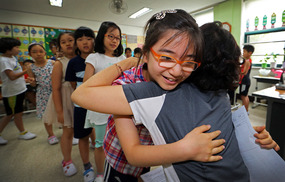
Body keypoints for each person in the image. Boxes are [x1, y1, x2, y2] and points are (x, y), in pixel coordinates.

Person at [72, 10, 280, 181]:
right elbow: (132, 153)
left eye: (189, 60)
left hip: (153, 155)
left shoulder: (187, 84)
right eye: (166, 57)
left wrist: (250, 136)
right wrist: (124, 63)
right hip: (120, 158)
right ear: (145, 53)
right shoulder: (134, 87)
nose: (176, 70)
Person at [83, 21, 126, 182]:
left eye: (118, 38)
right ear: (102, 37)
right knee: (100, 144)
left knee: (121, 141)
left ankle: (118, 169)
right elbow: (87, 83)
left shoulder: (122, 58)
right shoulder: (94, 57)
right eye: (111, 36)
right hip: (100, 108)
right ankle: (100, 173)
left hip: (118, 107)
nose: (115, 40)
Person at [42, 32, 77, 176]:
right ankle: (67, 160)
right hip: (66, 99)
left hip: (81, 99)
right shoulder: (59, 63)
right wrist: (60, 111)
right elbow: (55, 89)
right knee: (67, 131)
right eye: (63, 42)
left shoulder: (84, 60)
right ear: (60, 46)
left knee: (87, 127)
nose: (68, 44)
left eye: (71, 40)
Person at [65, 26, 96, 182]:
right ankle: (87, 166)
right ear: (76, 43)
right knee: (83, 136)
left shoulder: (100, 58)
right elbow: (73, 85)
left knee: (100, 136)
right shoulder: (73, 63)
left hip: (100, 105)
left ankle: (103, 166)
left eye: (89, 38)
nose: (85, 42)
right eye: (81, 39)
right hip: (81, 106)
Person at [0, 37, 36, 145]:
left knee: (18, 113)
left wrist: (26, 79)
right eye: (16, 47)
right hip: (12, 93)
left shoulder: (12, 58)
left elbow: (16, 75)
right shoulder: (4, 61)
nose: (18, 49)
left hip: (19, 90)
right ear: (8, 49)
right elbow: (11, 77)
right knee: (10, 114)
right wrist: (27, 70)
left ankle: (22, 132)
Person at [26, 43, 58, 145]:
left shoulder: (53, 63)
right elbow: (34, 83)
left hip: (56, 91)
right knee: (45, 114)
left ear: (45, 52)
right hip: (42, 93)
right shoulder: (31, 67)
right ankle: (51, 134)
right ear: (30, 54)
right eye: (34, 52)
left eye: (40, 51)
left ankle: (68, 131)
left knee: (60, 111)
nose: (38, 54)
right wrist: (32, 82)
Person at [240, 45, 254, 113]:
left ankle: (244, 112)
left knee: (243, 97)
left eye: (244, 52)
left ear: (250, 53)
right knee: (245, 96)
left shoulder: (247, 61)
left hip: (244, 81)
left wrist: (237, 71)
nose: (243, 53)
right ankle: (246, 111)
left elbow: (244, 72)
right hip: (246, 81)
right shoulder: (249, 60)